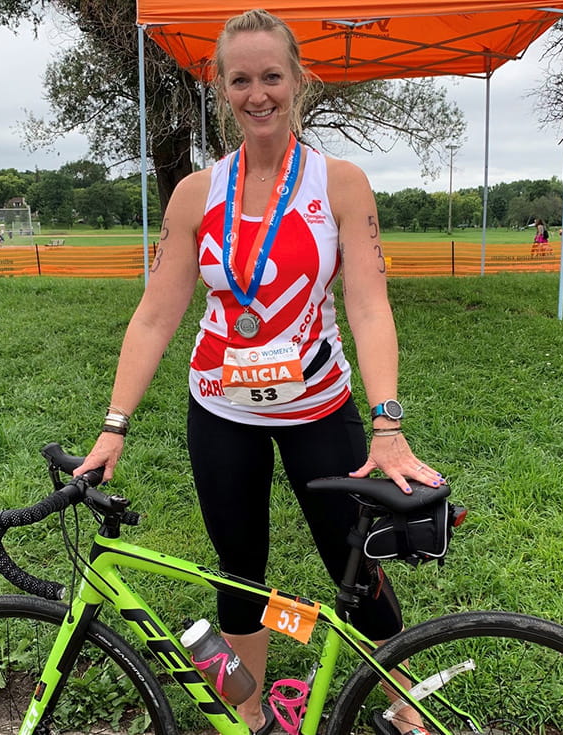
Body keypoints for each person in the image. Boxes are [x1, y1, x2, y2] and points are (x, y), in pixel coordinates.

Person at [75, 9, 443, 735]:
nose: (258, 94)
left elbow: (370, 308)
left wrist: (388, 422)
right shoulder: (196, 193)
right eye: (240, 80)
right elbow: (154, 317)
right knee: (237, 567)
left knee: (353, 560)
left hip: (318, 407)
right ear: (222, 89)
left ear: (298, 80)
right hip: (221, 410)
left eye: (272, 76)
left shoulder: (339, 184)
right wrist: (114, 425)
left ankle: (405, 704)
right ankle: (248, 712)